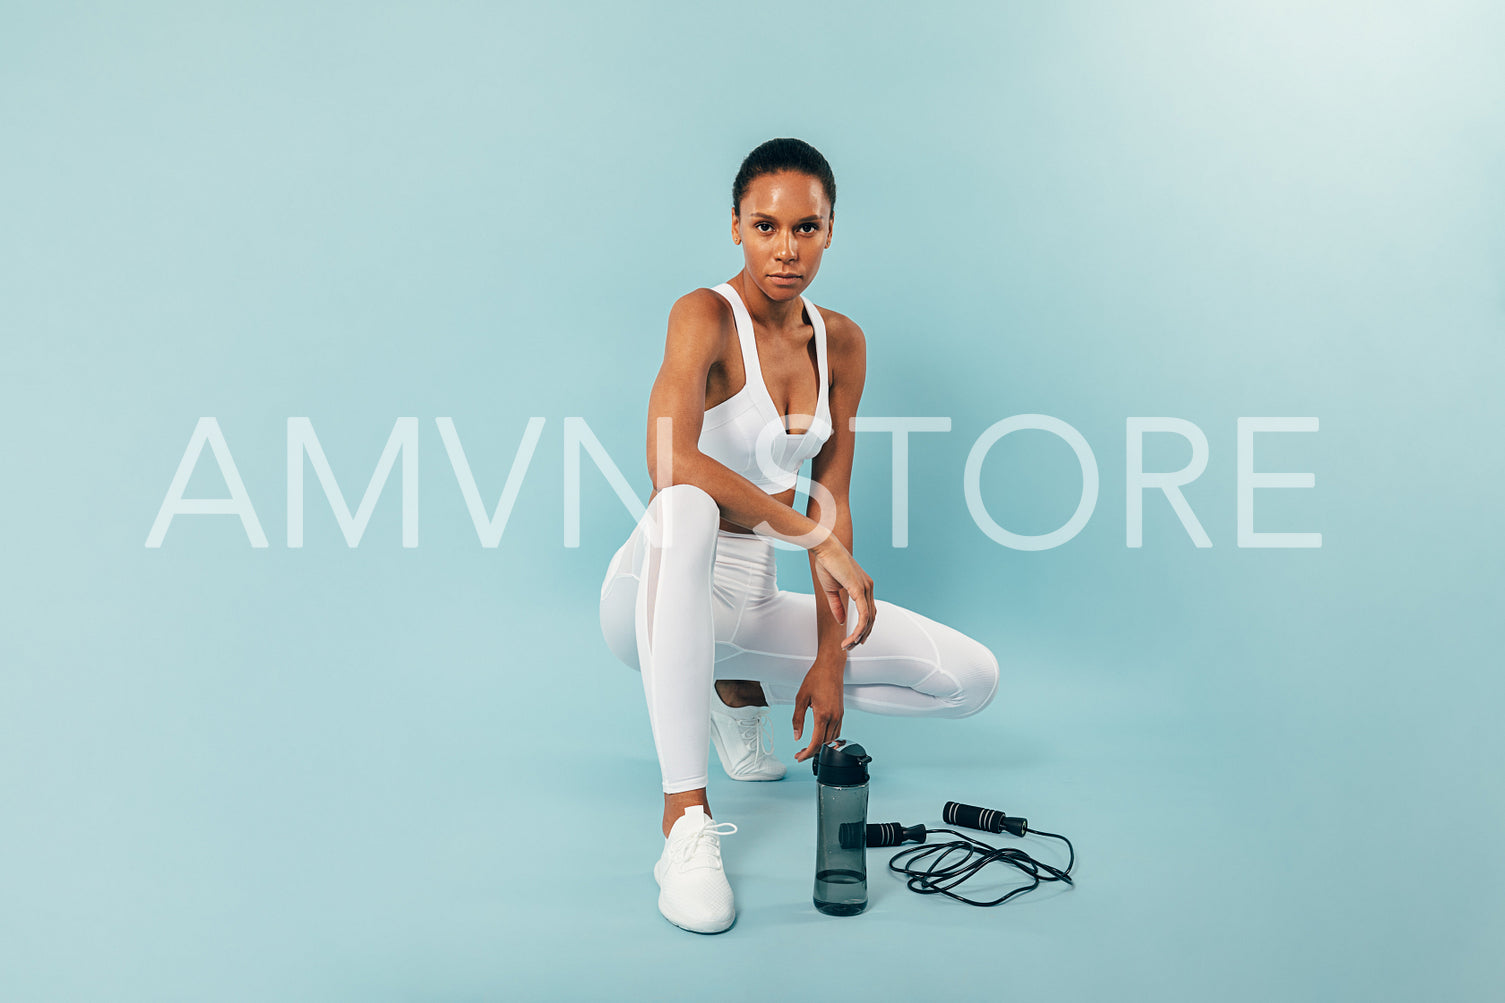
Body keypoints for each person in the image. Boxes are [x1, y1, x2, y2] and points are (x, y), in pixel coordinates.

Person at [597, 138, 999, 934]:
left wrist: (825, 657)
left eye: (806, 228)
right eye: (765, 226)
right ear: (736, 228)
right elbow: (668, 459)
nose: (785, 249)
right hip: (650, 597)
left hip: (751, 607)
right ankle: (683, 820)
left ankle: (733, 688)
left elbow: (834, 499)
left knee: (970, 679)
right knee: (685, 504)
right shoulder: (704, 314)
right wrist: (809, 535)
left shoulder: (841, 341)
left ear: (829, 229)